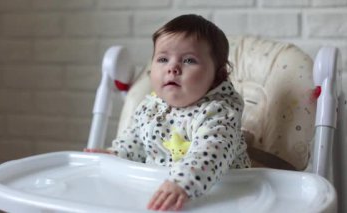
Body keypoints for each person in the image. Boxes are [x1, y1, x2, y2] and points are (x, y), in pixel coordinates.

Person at [85, 14, 251, 211]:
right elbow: (135, 141)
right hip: (160, 192)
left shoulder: (218, 113)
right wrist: (115, 155)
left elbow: (212, 151)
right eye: (163, 59)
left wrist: (183, 183)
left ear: (218, 76)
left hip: (223, 196)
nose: (172, 67)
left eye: (189, 60)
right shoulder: (150, 107)